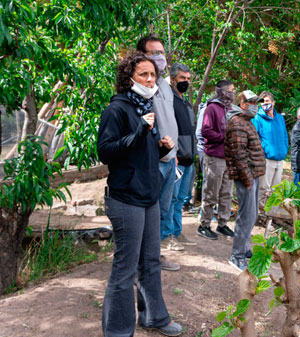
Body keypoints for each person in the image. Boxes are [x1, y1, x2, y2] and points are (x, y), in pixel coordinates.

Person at [97, 52, 182, 337]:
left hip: (148, 196)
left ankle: (155, 317)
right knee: (125, 269)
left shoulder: (145, 107)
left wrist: (160, 149)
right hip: (125, 200)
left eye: (153, 75)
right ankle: (118, 332)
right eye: (143, 74)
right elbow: (106, 152)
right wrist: (138, 131)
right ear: (128, 77)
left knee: (151, 260)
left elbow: (137, 154)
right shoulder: (117, 110)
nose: (149, 79)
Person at [136, 36, 182, 268]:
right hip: (151, 161)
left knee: (161, 213)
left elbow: (169, 120)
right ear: (141, 55)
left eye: (162, 52)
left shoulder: (164, 84)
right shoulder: (139, 85)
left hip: (169, 160)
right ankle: (138, 262)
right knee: (145, 214)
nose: (160, 57)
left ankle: (154, 256)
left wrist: (173, 156)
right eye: (153, 53)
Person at [225, 90, 266, 271]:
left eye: (256, 102)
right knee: (246, 215)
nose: (255, 106)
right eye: (251, 102)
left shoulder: (246, 121)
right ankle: (237, 255)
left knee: (252, 215)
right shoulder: (237, 123)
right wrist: (248, 180)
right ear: (242, 104)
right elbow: (239, 155)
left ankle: (244, 247)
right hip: (246, 177)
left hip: (252, 175)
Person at [197, 80, 236, 240]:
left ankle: (222, 224)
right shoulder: (212, 108)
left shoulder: (230, 109)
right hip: (214, 157)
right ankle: (204, 225)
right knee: (211, 192)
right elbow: (205, 131)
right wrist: (224, 137)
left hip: (229, 157)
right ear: (224, 92)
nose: (234, 93)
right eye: (232, 90)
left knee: (226, 193)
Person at [166, 63, 197, 248]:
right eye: (182, 79)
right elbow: (168, 129)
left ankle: (177, 232)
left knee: (180, 200)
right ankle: (167, 235)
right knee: (170, 199)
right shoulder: (169, 100)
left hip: (189, 159)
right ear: (172, 79)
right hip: (176, 158)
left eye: (188, 79)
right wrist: (173, 154)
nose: (186, 82)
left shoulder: (185, 101)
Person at [251, 91, 289, 211]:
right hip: (266, 159)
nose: (264, 104)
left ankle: (272, 216)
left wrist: (285, 149)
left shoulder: (280, 118)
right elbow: (254, 137)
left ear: (273, 102)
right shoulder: (257, 118)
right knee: (263, 189)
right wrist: (265, 149)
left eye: (267, 101)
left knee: (275, 190)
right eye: (262, 102)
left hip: (280, 158)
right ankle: (259, 215)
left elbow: (285, 135)